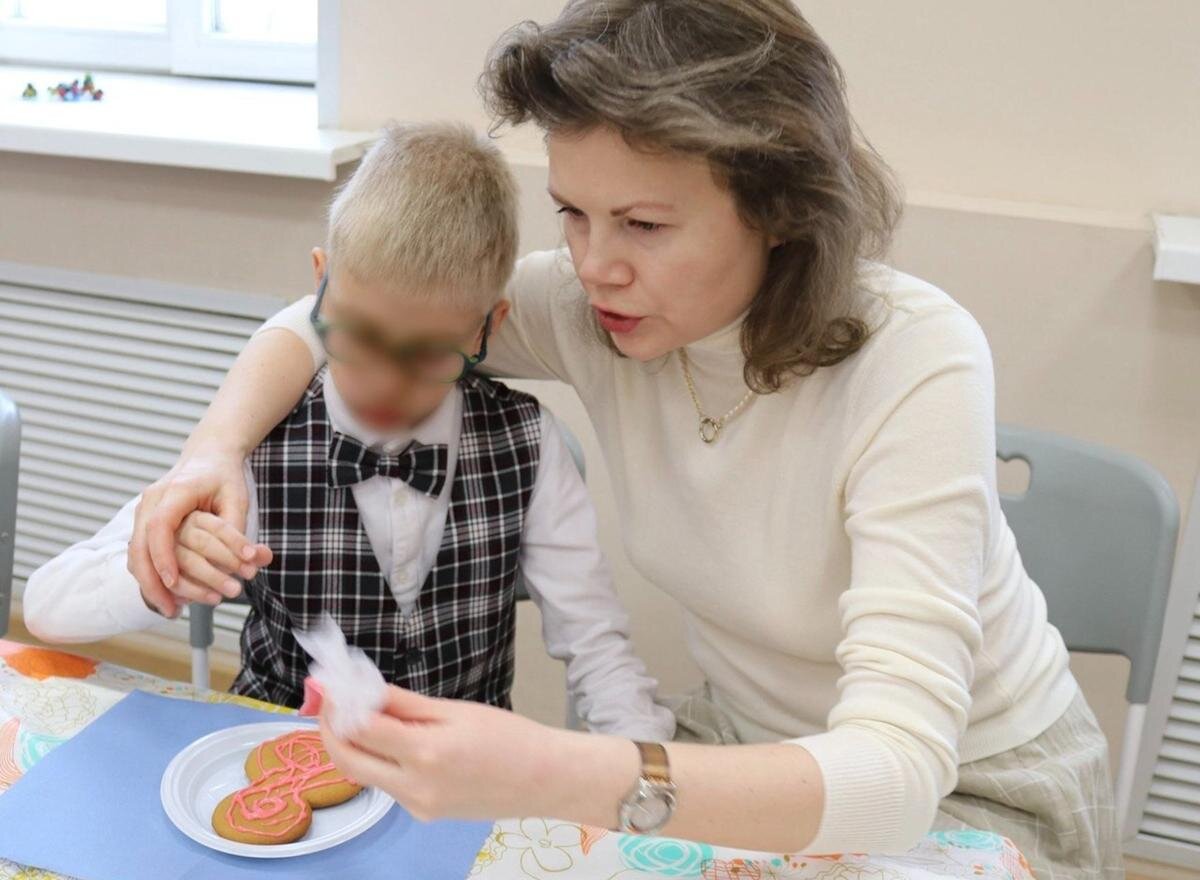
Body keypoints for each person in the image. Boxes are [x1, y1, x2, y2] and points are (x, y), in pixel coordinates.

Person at [122, 2, 1121, 876]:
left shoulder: (918, 357)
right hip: (745, 746)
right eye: (572, 214)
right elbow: (341, 311)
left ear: (777, 208)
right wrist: (210, 453)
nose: (594, 266)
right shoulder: (602, 314)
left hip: (975, 794)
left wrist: (556, 765)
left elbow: (897, 776)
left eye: (642, 224)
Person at [22, 122, 674, 741]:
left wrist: (645, 773)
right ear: (319, 284)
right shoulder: (255, 439)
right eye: (358, 337)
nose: (385, 383)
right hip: (271, 754)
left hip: (461, 777)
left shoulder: (532, 445)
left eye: (425, 354)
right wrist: (159, 569)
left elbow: (597, 650)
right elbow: (50, 607)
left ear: (488, 326)